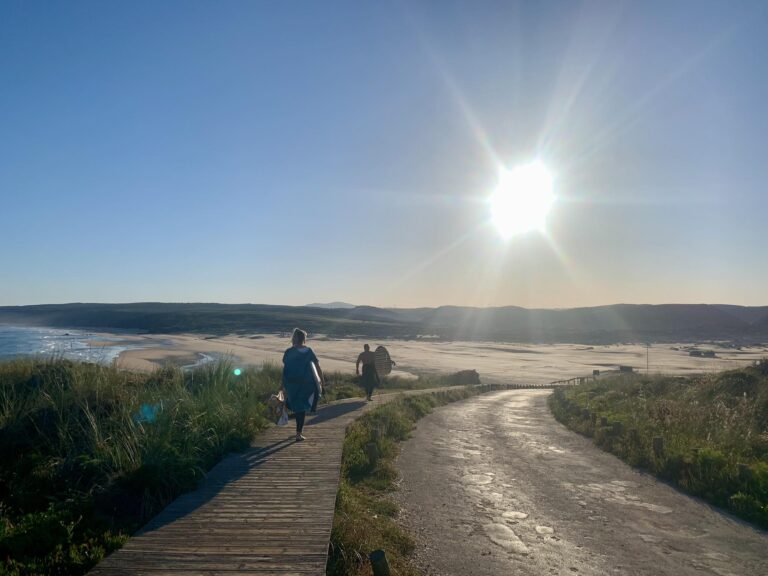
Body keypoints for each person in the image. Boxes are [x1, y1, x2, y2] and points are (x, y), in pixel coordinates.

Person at [281, 328, 324, 441]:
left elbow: (285, 369)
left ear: (294, 338)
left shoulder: (289, 352)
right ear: (304, 339)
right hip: (306, 384)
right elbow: (317, 366)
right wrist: (322, 381)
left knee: (297, 406)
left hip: (291, 383)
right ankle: (298, 433)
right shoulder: (309, 351)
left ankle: (297, 430)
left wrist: (282, 384)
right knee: (301, 409)